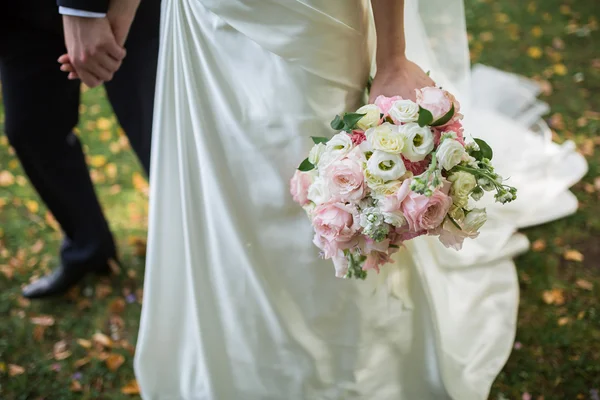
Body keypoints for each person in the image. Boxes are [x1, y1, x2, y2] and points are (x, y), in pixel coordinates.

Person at [75, 0, 585, 398]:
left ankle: (355, 366)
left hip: (312, 22)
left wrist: (391, 56)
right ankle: (240, 358)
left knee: (313, 191)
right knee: (229, 196)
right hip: (208, 30)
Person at [0, 0, 160, 299]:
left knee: (157, 130)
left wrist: (82, 8)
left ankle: (197, 249)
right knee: (30, 130)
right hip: (18, 15)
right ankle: (89, 248)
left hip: (114, 6)